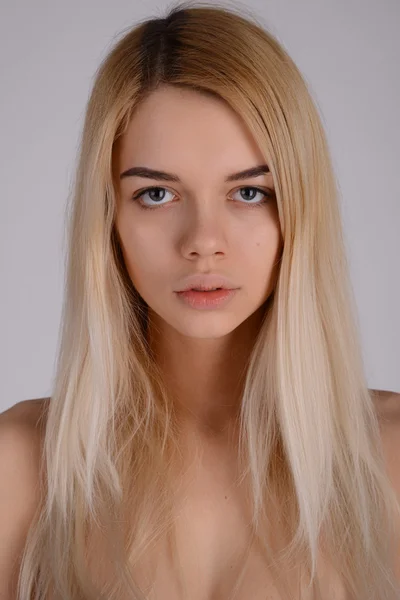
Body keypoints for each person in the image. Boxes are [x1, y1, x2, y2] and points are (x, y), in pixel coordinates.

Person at [1, 2, 399, 599]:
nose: (203, 242)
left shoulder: (390, 462)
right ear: (107, 216)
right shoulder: (22, 470)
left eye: (248, 191)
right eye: (157, 193)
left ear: (301, 208)